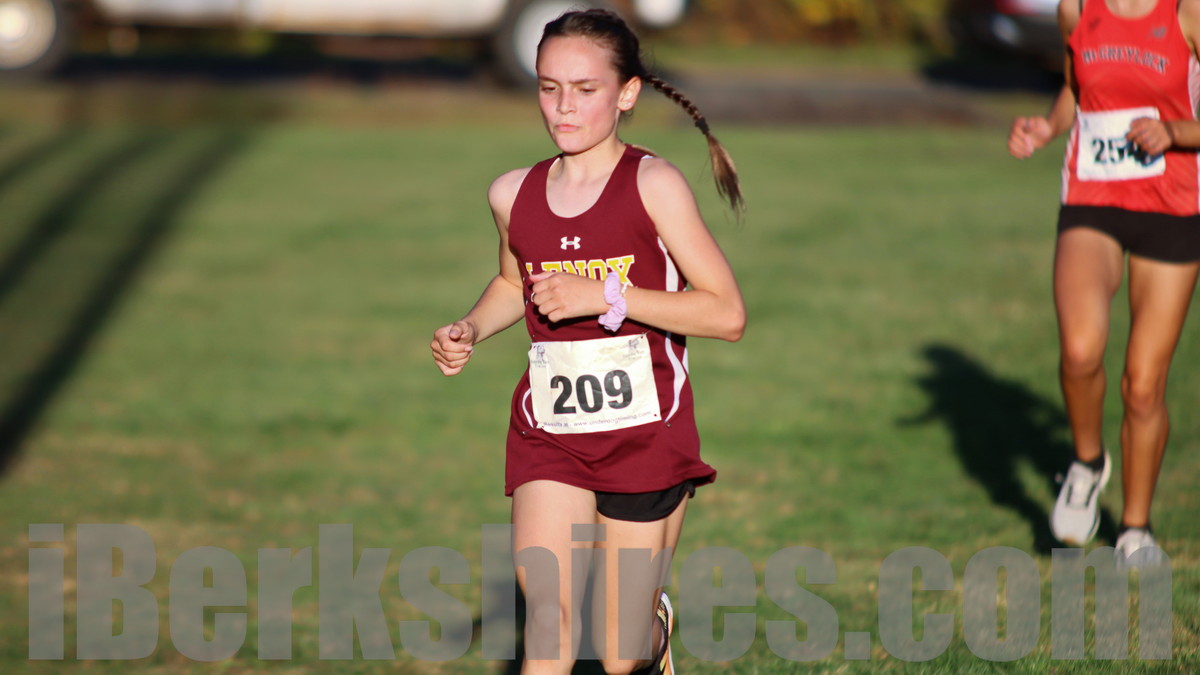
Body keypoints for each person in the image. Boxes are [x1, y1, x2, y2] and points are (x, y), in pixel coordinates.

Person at [430, 9, 745, 673]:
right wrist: (471, 327)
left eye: (585, 88)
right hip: (551, 432)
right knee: (549, 623)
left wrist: (606, 296)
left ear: (627, 93)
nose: (564, 106)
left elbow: (726, 313)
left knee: (619, 652)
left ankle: (654, 632)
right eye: (549, 88)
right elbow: (514, 281)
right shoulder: (513, 193)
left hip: (644, 434)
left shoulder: (653, 184)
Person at [1008, 0, 1200, 567]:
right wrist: (1049, 126)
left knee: (1143, 386)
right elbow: (1077, 89)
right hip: (1093, 196)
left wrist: (1175, 131)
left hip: (1173, 207)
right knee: (1080, 349)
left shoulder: (1187, 12)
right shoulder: (1077, 8)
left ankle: (1136, 527)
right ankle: (1087, 464)